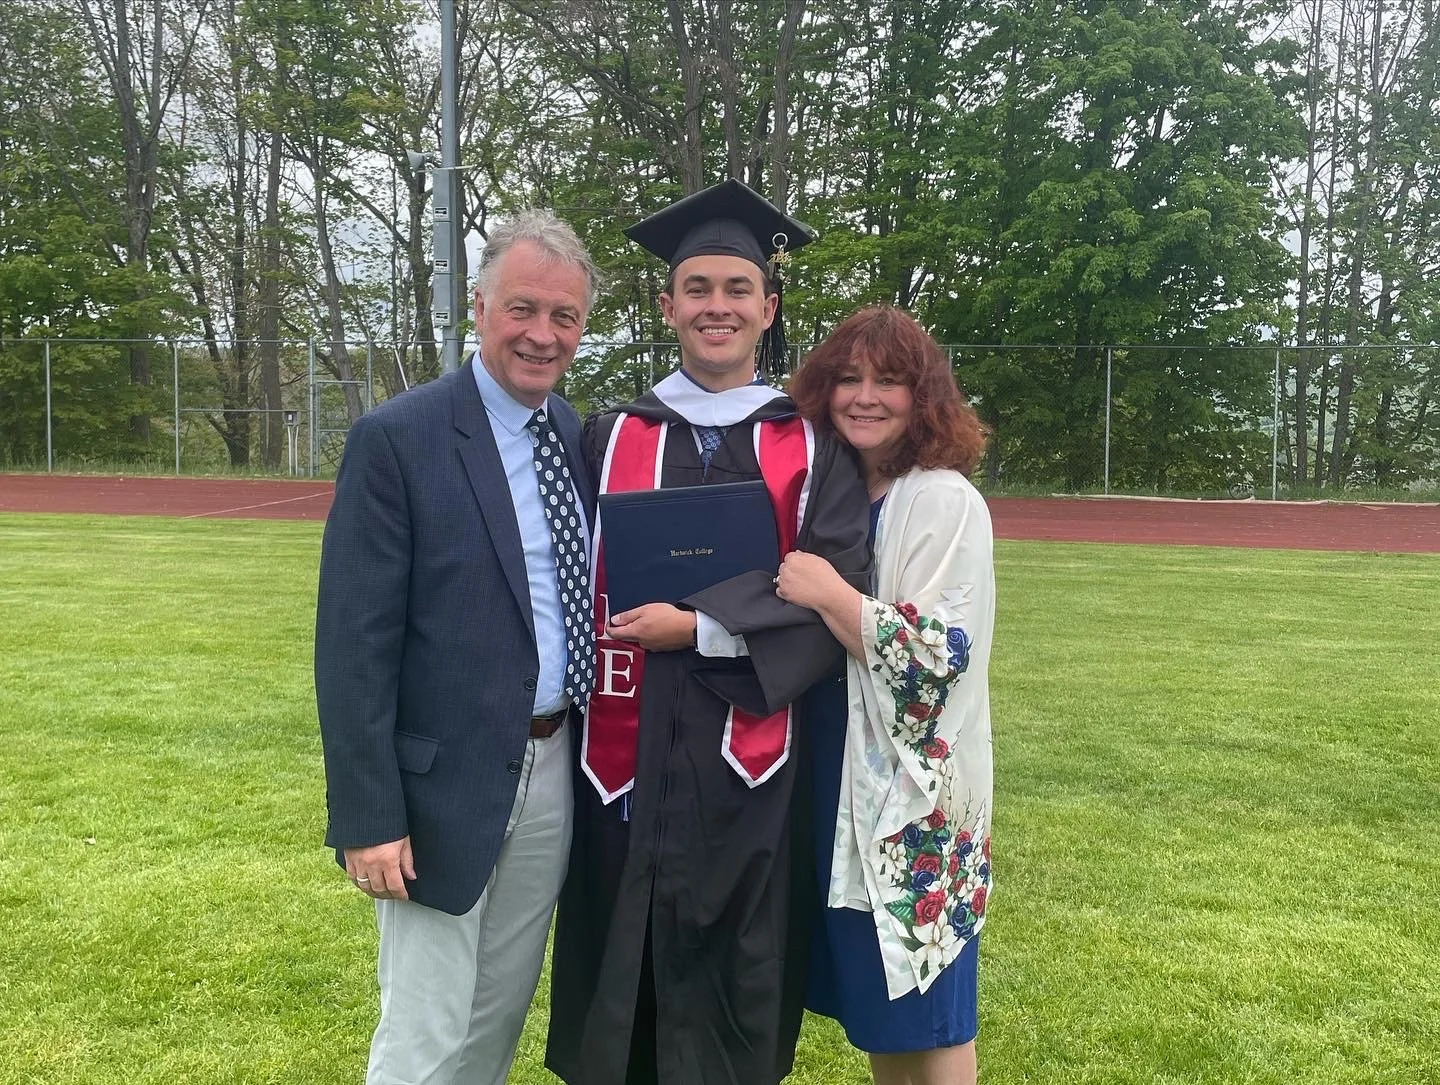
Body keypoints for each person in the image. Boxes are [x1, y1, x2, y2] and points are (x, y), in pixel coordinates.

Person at [544, 179, 872, 1085]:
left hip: (752, 770)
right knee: (622, 988)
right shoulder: (607, 435)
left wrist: (702, 629)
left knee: (738, 998)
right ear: (668, 304)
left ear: (767, 308)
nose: (716, 307)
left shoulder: (811, 446)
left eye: (737, 289)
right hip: (619, 765)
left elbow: (837, 589)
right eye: (698, 289)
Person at [314, 209, 600, 1085]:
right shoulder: (399, 439)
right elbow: (352, 642)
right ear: (478, 307)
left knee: (496, 1018)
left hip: (554, 764)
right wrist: (370, 816)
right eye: (522, 308)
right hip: (442, 785)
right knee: (426, 1030)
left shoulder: (575, 439)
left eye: (565, 317)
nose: (542, 335)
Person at [778, 306, 995, 1085]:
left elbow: (942, 655)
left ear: (923, 396)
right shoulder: (836, 490)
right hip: (841, 782)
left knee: (931, 1006)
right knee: (884, 1004)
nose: (865, 396)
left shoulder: (941, 499)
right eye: (848, 378)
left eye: (889, 381)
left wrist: (832, 593)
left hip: (912, 796)